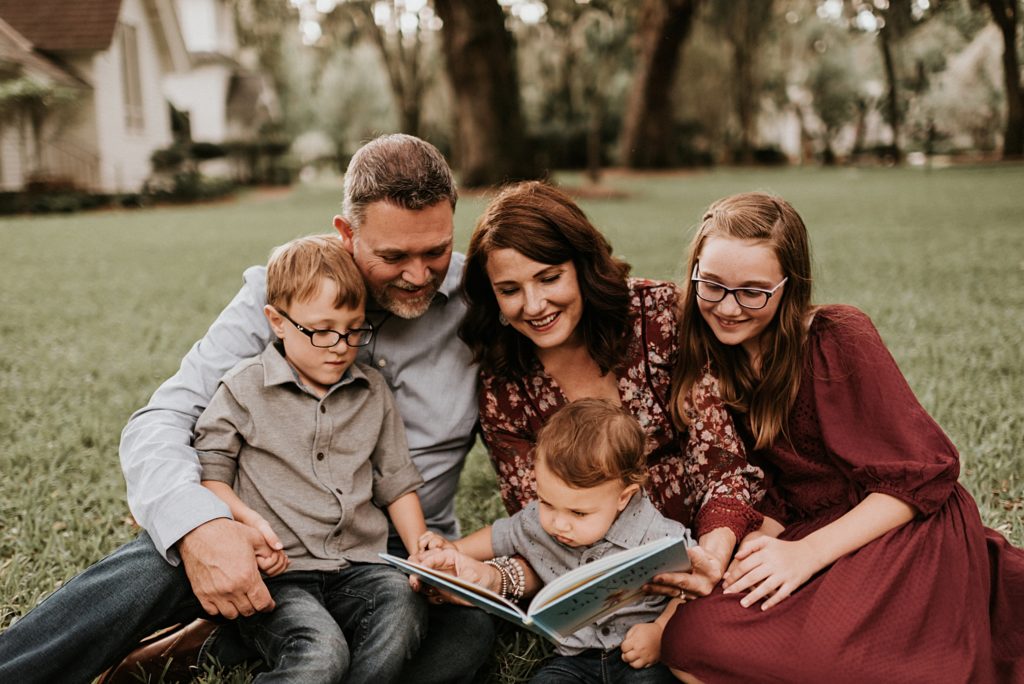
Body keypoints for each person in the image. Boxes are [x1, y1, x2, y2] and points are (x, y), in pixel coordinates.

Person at [0, 134, 493, 684]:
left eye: (436, 251)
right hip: (272, 537)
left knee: (466, 638)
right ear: (346, 233)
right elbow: (162, 419)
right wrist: (201, 526)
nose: (420, 275)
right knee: (167, 550)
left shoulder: (485, 303)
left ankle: (223, 641)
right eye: (394, 256)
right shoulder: (283, 292)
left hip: (397, 553)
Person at [658, 191, 1024, 683]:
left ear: (791, 286)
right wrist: (745, 555)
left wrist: (806, 555)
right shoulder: (709, 361)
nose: (728, 308)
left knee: (834, 663)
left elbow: (923, 477)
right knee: (690, 639)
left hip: (901, 524)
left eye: (753, 292)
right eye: (713, 286)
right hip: (804, 530)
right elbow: (761, 487)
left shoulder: (837, 336)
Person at [458, 180, 763, 597]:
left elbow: (722, 467)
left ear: (582, 266)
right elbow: (543, 532)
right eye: (509, 290)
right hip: (611, 587)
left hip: (717, 547)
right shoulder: (505, 388)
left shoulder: (657, 317)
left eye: (549, 278)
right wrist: (488, 577)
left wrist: (709, 561)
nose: (532, 305)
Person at [193, 234, 428, 682]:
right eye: (322, 331)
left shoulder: (372, 391)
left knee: (402, 607)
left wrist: (420, 550)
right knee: (321, 653)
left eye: (354, 329)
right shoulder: (244, 388)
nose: (340, 345)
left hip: (362, 567)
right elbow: (210, 474)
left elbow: (395, 478)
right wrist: (245, 522)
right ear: (277, 321)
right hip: (280, 576)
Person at [419, 399, 692, 683]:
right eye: (547, 503)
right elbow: (499, 535)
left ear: (623, 498)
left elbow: (691, 586)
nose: (558, 523)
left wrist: (660, 630)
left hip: (639, 658)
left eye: (578, 512)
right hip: (573, 660)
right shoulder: (538, 520)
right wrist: (453, 549)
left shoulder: (658, 535)